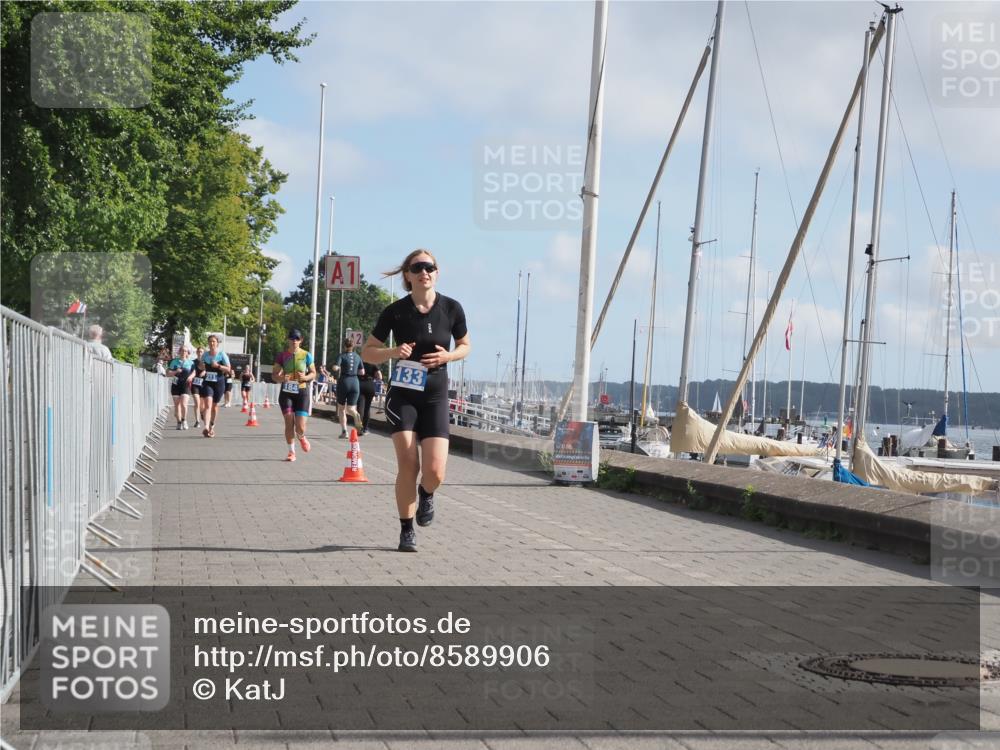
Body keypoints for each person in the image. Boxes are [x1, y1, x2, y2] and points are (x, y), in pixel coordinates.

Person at [361, 249, 470, 553]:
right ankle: (406, 529)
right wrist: (392, 353)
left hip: (435, 394)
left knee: (435, 471)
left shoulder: (452, 308)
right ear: (407, 275)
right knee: (408, 464)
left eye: (430, 267)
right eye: (417, 267)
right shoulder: (395, 311)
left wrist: (449, 355)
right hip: (404, 394)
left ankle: (427, 493)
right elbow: (368, 352)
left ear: (437, 272)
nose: (425, 271)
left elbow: (465, 345)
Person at [273, 328, 317, 462]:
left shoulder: (306, 355)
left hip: (302, 392)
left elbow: (314, 373)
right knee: (288, 422)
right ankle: (291, 452)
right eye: (292, 339)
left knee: (300, 426)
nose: (294, 341)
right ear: (288, 340)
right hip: (286, 392)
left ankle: (302, 437)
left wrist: (305, 377)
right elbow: (274, 376)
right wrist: (282, 378)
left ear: (301, 341)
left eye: (297, 339)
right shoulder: (282, 356)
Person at [197, 335, 232, 437]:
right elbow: (200, 366)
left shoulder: (222, 355)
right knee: (208, 404)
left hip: (219, 382)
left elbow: (229, 369)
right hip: (208, 382)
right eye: (210, 342)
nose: (212, 343)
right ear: (208, 343)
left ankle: (212, 425)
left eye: (213, 341)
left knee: (214, 406)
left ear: (217, 343)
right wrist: (202, 366)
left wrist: (218, 366)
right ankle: (206, 427)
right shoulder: (205, 355)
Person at [335, 338, 365, 439]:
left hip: (344, 382)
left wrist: (336, 367)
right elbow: (362, 372)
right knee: (351, 408)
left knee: (342, 408)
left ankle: (344, 432)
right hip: (355, 382)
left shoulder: (342, 355)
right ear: (353, 346)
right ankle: (355, 414)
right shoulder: (358, 357)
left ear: (344, 346)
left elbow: (336, 367)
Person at [166, 346, 196, 429]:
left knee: (184, 404)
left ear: (187, 353)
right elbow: (168, 373)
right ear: (179, 352)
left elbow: (194, 372)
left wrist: (191, 377)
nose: (183, 352)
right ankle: (179, 422)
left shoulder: (190, 363)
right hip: (176, 385)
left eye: (185, 351)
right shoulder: (174, 362)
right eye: (182, 351)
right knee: (177, 405)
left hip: (185, 385)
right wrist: (175, 371)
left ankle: (184, 420)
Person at [357, 360, 379, 436]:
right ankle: (365, 429)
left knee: (360, 408)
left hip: (360, 384)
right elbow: (379, 375)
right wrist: (375, 379)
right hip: (370, 384)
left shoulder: (359, 362)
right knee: (367, 408)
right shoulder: (373, 363)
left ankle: (359, 428)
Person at [191, 346, 205, 428]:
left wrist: (205, 371)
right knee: (197, 402)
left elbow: (211, 370)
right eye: (199, 351)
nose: (200, 353)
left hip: (203, 384)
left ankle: (202, 412)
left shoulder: (206, 362)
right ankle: (197, 421)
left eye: (201, 352)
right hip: (195, 384)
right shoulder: (193, 362)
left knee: (202, 405)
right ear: (196, 352)